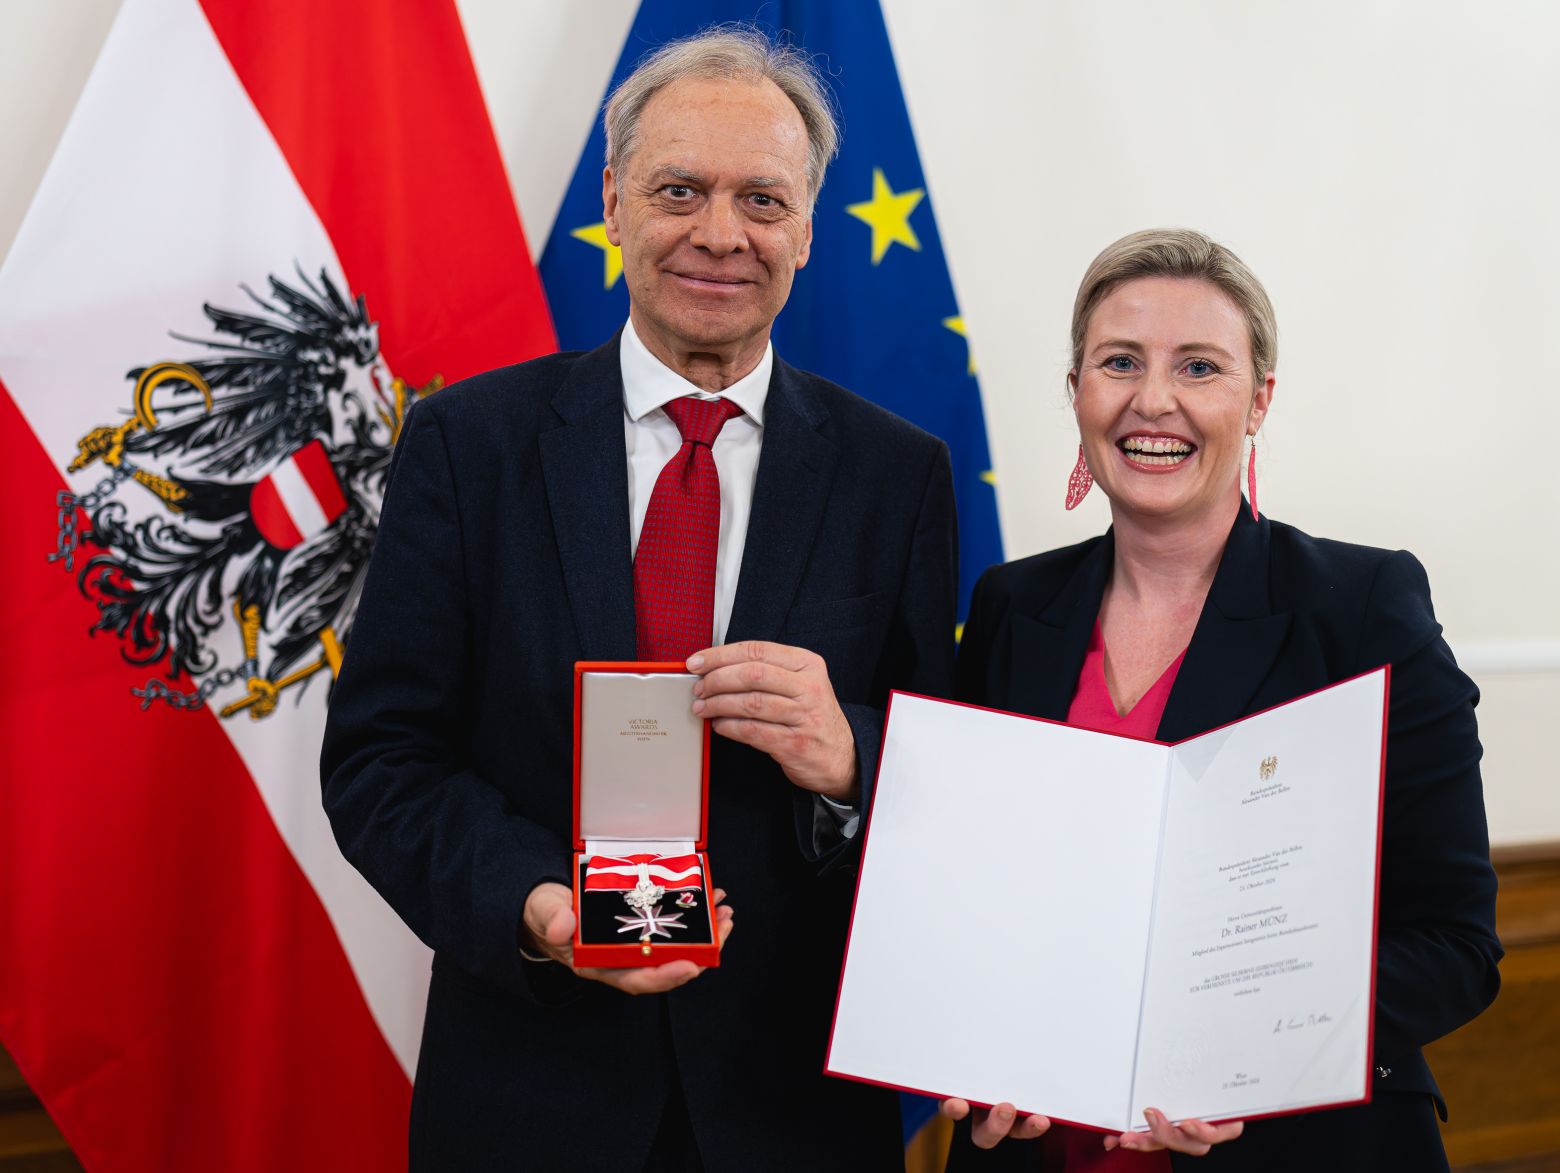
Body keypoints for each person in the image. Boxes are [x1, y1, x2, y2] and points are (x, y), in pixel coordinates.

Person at [319, 29, 956, 1172]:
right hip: (527, 1095)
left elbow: (948, 773)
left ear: (809, 228)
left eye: (762, 199)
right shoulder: (468, 445)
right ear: (613, 202)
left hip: (794, 1107)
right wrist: (536, 906)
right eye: (678, 190)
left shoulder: (896, 474)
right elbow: (382, 761)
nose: (720, 233)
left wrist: (851, 756)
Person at [940, 228, 1500, 1171]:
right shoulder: (1010, 607)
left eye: (1199, 366)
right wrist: (972, 1051)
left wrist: (1250, 1051)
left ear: (1259, 400)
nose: (1153, 399)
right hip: (1040, 1146)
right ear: (1076, 389)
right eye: (1120, 361)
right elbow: (967, 897)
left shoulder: (1361, 609)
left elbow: (1455, 946)